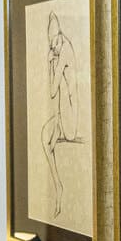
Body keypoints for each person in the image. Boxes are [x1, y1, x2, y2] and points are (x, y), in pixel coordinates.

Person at [41, 12, 79, 218]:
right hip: (63, 112)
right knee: (45, 139)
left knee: (46, 139)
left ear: (60, 37)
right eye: (50, 44)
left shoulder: (64, 52)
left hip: (70, 119)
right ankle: (58, 186)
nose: (52, 48)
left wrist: (50, 64)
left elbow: (52, 91)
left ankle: (58, 187)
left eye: (53, 43)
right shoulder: (61, 48)